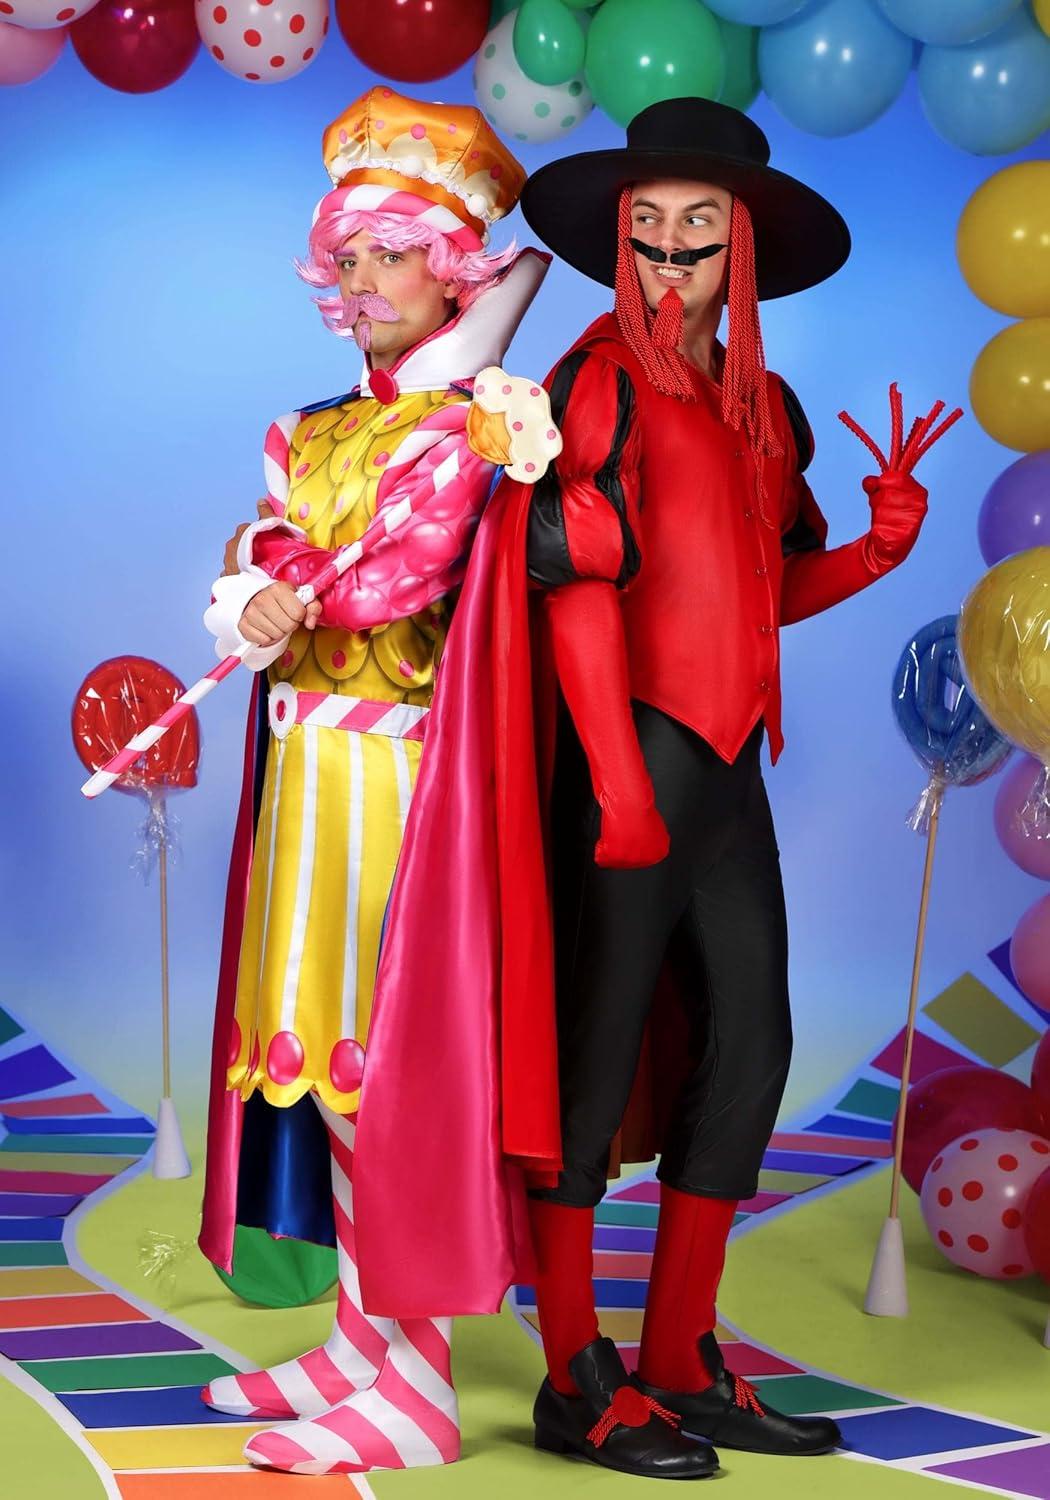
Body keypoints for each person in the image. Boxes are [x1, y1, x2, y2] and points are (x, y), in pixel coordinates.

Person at [347, 96, 953, 1482]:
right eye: (651, 229)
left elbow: (755, 590)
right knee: (594, 1053)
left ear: (742, 249)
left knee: (750, 1043)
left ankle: (679, 1354)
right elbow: (575, 590)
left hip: (726, 766)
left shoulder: (762, 407)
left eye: (699, 229)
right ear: (621, 243)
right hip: (628, 759)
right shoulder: (596, 381)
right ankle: (576, 1373)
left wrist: (874, 552)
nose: (673, 254)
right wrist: (617, 784)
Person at [196, 84, 558, 1477]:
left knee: (377, 1069)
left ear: (456, 267)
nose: (359, 279)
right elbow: (264, 545)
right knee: (307, 1059)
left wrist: (283, 573)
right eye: (344, 255)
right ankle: (359, 1348)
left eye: (390, 253)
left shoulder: (475, 426)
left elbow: (391, 578)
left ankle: (413, 1388)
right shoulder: (308, 428)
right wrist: (258, 579)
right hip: (302, 777)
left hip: (397, 788)